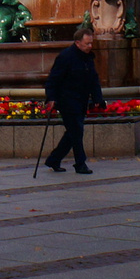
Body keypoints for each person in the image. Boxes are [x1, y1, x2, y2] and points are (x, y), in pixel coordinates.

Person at [43, 27, 107, 174]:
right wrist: (51, 97)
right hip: (66, 100)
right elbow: (53, 79)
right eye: (87, 44)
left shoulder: (88, 57)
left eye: (91, 43)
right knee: (77, 131)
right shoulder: (66, 57)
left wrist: (97, 98)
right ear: (78, 43)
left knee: (72, 133)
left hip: (81, 100)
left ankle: (54, 159)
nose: (90, 46)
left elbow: (93, 79)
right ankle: (80, 163)